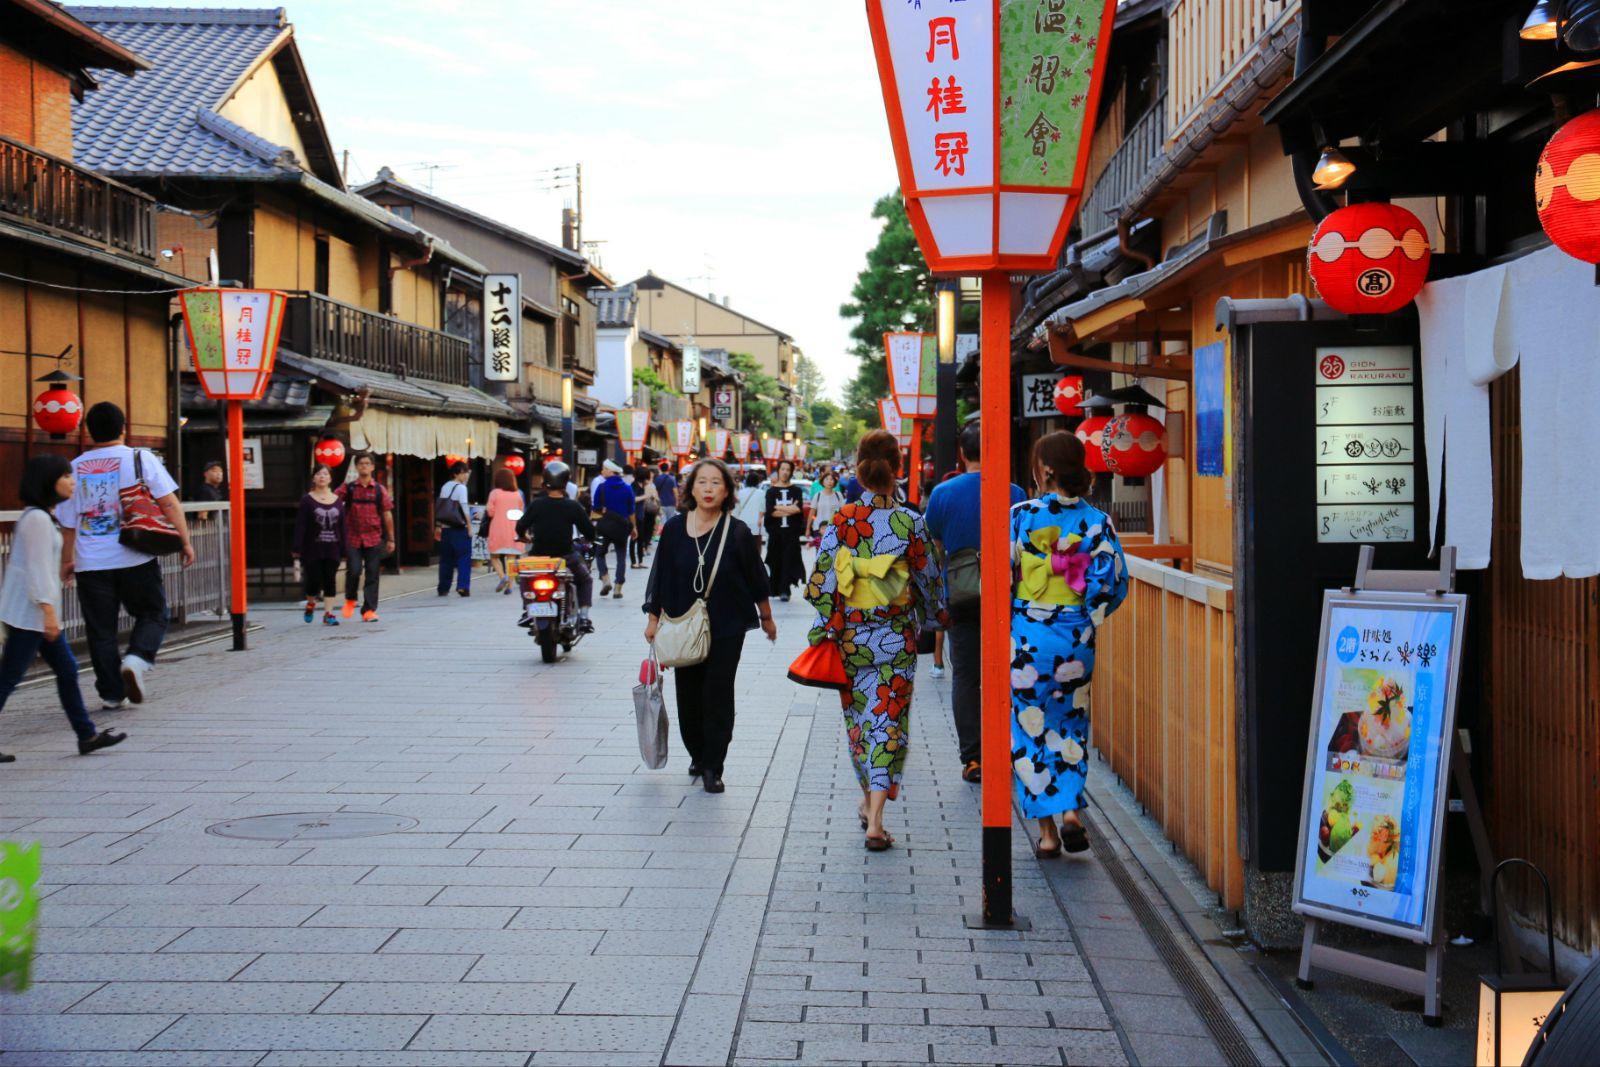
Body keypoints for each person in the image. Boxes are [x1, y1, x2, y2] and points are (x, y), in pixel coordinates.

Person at [803, 430, 945, 851]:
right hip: (896, 638)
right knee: (889, 725)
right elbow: (930, 579)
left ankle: (869, 804)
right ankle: (876, 818)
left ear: (860, 472)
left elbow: (820, 583)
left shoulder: (843, 520)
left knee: (860, 725)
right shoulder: (910, 521)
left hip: (851, 641)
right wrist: (937, 614)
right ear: (897, 469)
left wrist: (828, 623)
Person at [1010, 431, 1129, 856]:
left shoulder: (1022, 515)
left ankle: (1046, 832)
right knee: (1070, 721)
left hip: (1029, 637)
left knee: (1029, 725)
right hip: (1076, 637)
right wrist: (1088, 618)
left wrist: (1018, 612)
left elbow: (1002, 575)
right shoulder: (1097, 522)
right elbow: (1114, 583)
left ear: (1045, 470)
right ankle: (1072, 812)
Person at [643, 458, 775, 794]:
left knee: (717, 694)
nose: (708, 489)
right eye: (702, 482)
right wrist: (653, 619)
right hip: (683, 624)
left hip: (727, 626)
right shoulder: (673, 530)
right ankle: (697, 753)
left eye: (716, 482)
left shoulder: (738, 532)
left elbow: (756, 577)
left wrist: (767, 616)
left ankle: (713, 765)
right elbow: (660, 576)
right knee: (688, 695)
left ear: (727, 490)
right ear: (690, 488)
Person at [56, 401, 194, 710]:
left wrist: (67, 561)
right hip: (135, 555)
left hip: (91, 561)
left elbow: (67, 524)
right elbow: (169, 503)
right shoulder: (139, 458)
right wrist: (184, 541)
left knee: (101, 629)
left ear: (88, 431)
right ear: (123, 428)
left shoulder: (74, 468)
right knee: (153, 612)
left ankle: (110, 693)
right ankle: (136, 658)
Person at [0, 456, 126, 761]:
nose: (72, 481)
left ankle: (86, 735)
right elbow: (37, 570)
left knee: (67, 671)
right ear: (48, 481)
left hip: (35, 614)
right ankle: (86, 735)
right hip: (31, 616)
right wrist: (49, 613)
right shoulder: (38, 521)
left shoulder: (40, 517)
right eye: (65, 476)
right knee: (8, 679)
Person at [925, 421, 1026, 782]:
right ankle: (1006, 750)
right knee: (1006, 673)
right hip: (1005, 595)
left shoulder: (943, 494)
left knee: (965, 676)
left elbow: (934, 549)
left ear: (962, 454)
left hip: (961, 594)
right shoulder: (1015, 493)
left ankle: (973, 758)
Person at [515, 460, 596, 632]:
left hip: (538, 558)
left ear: (544, 482)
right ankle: (583, 617)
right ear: (566, 482)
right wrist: (590, 539)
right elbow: (588, 530)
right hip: (565, 557)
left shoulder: (537, 504)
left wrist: (523, 536)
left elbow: (520, 526)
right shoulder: (572, 506)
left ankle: (527, 609)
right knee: (585, 579)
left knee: (525, 576)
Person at [337, 453, 395, 622]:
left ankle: (368, 610)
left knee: (372, 574)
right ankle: (350, 598)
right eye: (361, 463)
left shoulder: (379, 490)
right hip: (353, 536)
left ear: (372, 467)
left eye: (367, 463)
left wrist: (391, 539)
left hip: (374, 537)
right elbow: (333, 501)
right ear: (356, 467)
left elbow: (387, 514)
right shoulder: (349, 488)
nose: (364, 466)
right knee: (354, 571)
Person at [292, 465, 345, 626]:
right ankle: (310, 602)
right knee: (313, 580)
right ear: (313, 478)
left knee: (330, 579)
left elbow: (342, 526)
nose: (322, 476)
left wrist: (345, 546)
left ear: (330, 478)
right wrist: (297, 547)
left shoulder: (337, 500)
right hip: (312, 547)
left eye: (325, 474)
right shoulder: (307, 500)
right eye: (318, 474)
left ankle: (328, 613)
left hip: (333, 546)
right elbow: (301, 525)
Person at [591, 459, 636, 599]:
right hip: (622, 528)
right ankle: (618, 588)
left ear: (611, 471)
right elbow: (631, 511)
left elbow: (596, 508)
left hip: (602, 528)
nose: (602, 471)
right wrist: (634, 528)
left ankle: (605, 579)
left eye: (604, 469)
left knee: (599, 553)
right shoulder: (628, 488)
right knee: (621, 557)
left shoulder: (601, 487)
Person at [763, 459, 806, 602]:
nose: (785, 472)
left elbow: (798, 509)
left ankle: (785, 589)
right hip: (776, 534)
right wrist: (789, 509)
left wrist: (779, 508)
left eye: (788, 469)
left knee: (789, 560)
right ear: (778, 471)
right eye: (783, 469)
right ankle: (776, 588)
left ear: (791, 472)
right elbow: (771, 512)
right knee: (776, 560)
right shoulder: (771, 492)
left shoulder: (796, 490)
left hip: (791, 534)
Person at [485, 468, 526, 595]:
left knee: (494, 556)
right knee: (511, 559)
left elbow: (490, 511)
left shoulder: (494, 493)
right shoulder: (517, 494)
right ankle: (509, 586)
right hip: (514, 529)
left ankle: (503, 576)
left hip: (497, 528)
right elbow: (521, 512)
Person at [436, 460, 473, 597]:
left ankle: (443, 588)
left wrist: (438, 526)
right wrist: (469, 526)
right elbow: (464, 508)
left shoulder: (445, 486)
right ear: (459, 473)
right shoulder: (462, 488)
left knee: (446, 559)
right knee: (464, 557)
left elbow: (441, 507)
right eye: (465, 473)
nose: (466, 476)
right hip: (459, 527)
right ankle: (463, 586)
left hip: (446, 527)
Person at [631, 465, 660, 568]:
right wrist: (646, 496)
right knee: (634, 538)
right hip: (634, 514)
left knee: (640, 537)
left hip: (641, 513)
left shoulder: (642, 485)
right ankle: (634, 562)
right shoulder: (634, 485)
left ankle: (640, 561)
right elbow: (633, 499)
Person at [733, 469, 766, 552]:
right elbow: (763, 508)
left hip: (742, 524)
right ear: (757, 482)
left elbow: (736, 510)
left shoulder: (740, 493)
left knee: (743, 548)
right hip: (756, 525)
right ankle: (756, 564)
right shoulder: (761, 493)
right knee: (756, 548)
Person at [810, 469, 843, 547]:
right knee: (820, 553)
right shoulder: (817, 495)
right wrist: (808, 528)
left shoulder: (838, 495)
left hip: (834, 529)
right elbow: (812, 513)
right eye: (827, 479)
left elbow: (842, 513)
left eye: (831, 479)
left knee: (833, 552)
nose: (829, 481)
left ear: (834, 482)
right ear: (822, 481)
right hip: (818, 528)